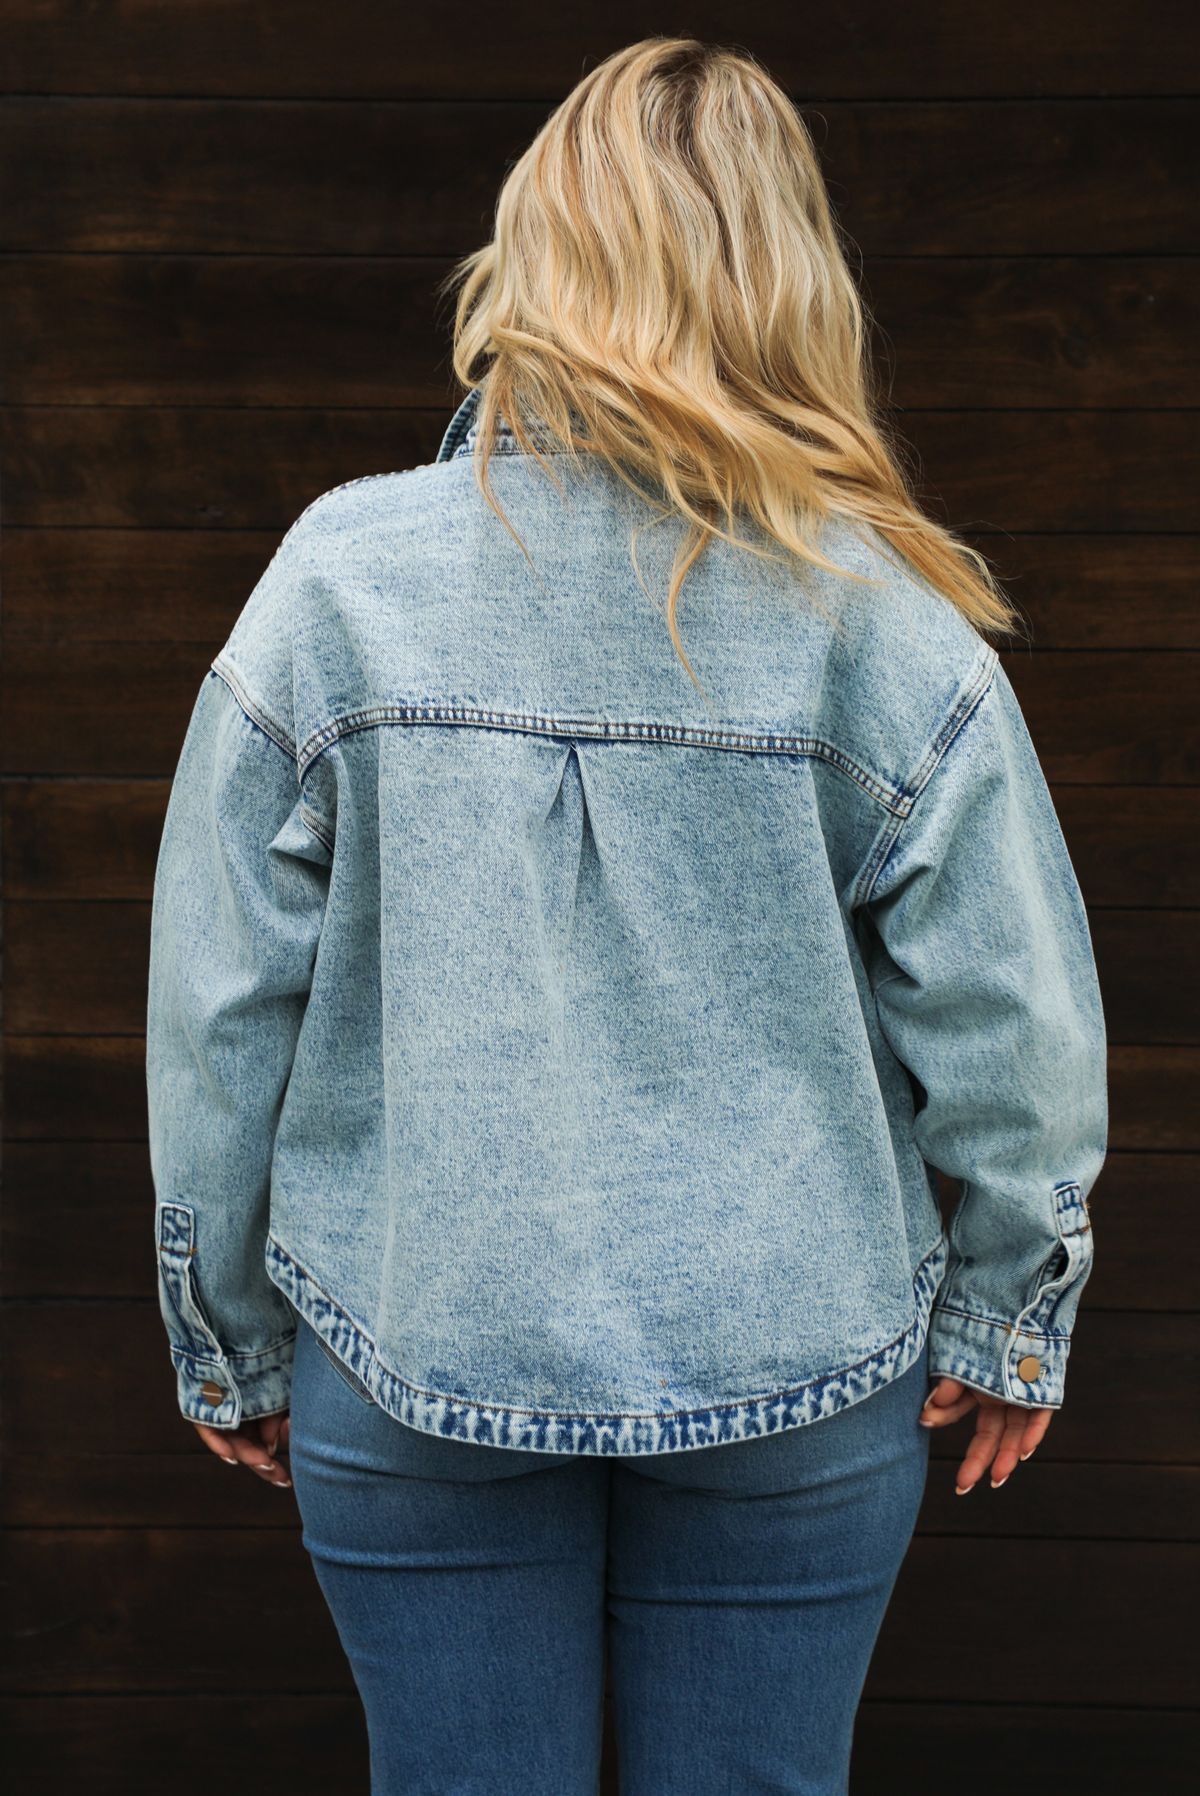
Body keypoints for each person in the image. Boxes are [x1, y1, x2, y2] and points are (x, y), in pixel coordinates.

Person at [147, 38, 1106, 1796]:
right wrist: (1007, 1313)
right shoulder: (879, 616)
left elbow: (221, 1006)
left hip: (416, 1342)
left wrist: (226, 1333)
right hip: (803, 1359)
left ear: (534, 257)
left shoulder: (339, 581)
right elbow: (1013, 1032)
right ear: (787, 279)